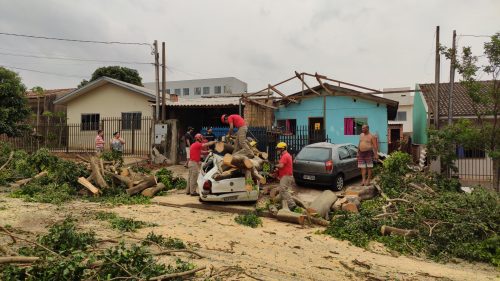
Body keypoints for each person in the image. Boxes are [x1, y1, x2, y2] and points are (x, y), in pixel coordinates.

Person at [274, 142, 297, 211]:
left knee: (283, 190)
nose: (277, 151)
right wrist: (276, 171)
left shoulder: (285, 156)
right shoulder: (285, 156)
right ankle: (282, 205)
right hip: (285, 176)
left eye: (278, 149)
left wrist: (274, 166)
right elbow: (282, 167)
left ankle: (292, 204)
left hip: (286, 176)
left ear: (282, 149)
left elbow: (281, 165)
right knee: (281, 192)